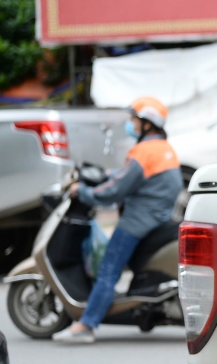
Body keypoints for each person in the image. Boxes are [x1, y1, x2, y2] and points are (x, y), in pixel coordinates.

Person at [53, 97, 183, 344]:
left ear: (146, 123)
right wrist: (107, 175)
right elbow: (129, 177)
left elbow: (114, 191)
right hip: (158, 219)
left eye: (134, 120)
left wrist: (81, 192)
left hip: (137, 223)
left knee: (108, 271)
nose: (131, 124)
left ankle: (86, 325)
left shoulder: (142, 152)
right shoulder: (164, 149)